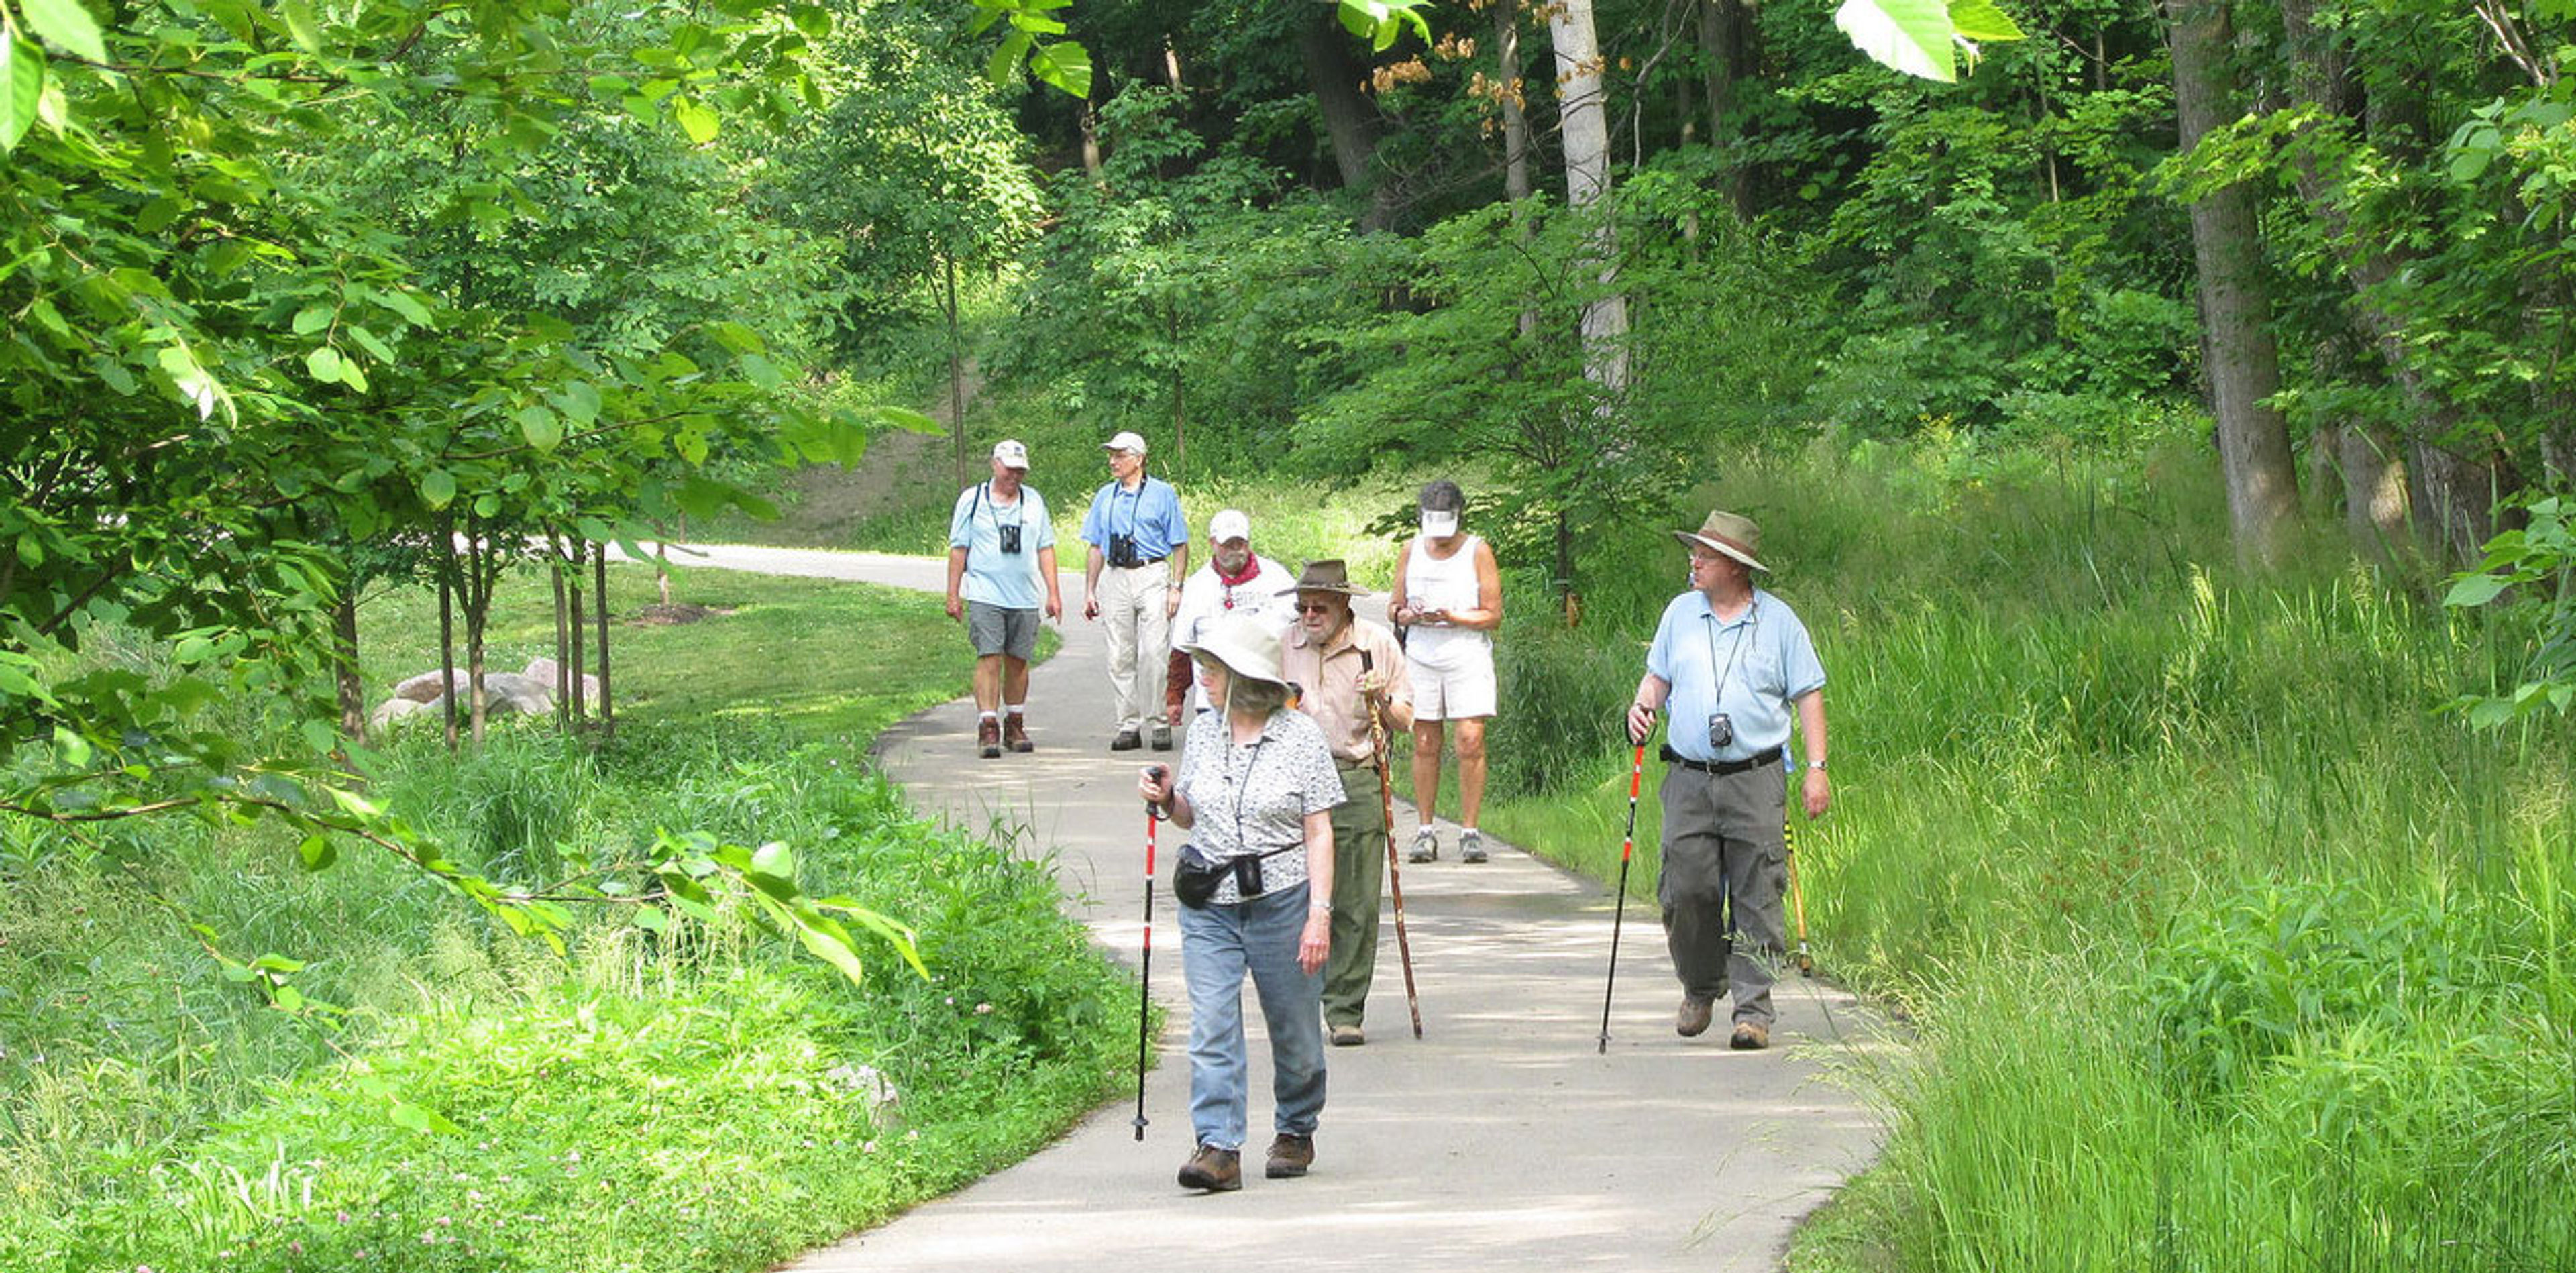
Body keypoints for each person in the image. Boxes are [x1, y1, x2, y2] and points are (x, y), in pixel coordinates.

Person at [1138, 610, 1342, 1192]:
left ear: (1245, 675)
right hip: (1210, 902)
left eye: (1213, 666)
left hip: (1282, 900)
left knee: (1296, 1032)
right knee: (1211, 1024)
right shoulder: (1204, 730)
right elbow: (1189, 815)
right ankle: (1218, 1147)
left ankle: (1297, 1127)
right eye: (1202, 664)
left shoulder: (1299, 735)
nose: (1202, 675)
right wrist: (1166, 797)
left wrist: (1318, 915)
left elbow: (1319, 830)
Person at [1623, 510, 1830, 1052]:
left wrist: (1816, 769)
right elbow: (1658, 677)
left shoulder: (1780, 622)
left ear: (1736, 568)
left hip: (1755, 777)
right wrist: (1642, 706)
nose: (1694, 562)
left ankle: (1753, 1011)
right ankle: (1700, 984)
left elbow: (1809, 693)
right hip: (1689, 777)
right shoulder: (1679, 614)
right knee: (1684, 888)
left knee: (1758, 892)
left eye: (1705, 556)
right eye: (1695, 553)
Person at [1276, 559, 1413, 1048]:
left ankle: (1345, 1008)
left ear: (1343, 606)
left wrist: (1380, 700)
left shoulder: (1376, 645)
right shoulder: (1283, 645)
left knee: (1354, 900)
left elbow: (1405, 721)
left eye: (1319, 608)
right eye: (1303, 607)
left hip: (1355, 776)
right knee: (1296, 899)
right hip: (1293, 780)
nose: (1309, 616)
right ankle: (1297, 1000)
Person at [1389, 479, 1502, 864]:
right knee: (1425, 742)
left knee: (1469, 741)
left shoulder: (1477, 550)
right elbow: (1394, 605)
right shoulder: (1411, 550)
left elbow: (1493, 614)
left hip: (1465, 654)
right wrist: (1405, 615)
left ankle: (1470, 831)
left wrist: (1454, 616)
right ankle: (1425, 830)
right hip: (1422, 654)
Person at [944, 440, 1063, 759]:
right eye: (1010, 469)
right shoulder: (973, 500)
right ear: (995, 465)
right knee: (989, 656)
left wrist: (1053, 593)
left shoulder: (1034, 501)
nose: (1015, 476)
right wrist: (953, 594)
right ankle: (988, 726)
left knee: (1019, 660)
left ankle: (1015, 722)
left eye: (1020, 470)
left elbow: (1045, 548)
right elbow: (958, 549)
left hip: (1024, 595)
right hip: (985, 593)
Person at [1081, 430, 1189, 752]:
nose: (1113, 461)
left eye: (1120, 455)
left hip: (1152, 572)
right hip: (1116, 575)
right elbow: (1096, 545)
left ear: (1139, 459)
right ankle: (1128, 724)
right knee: (1119, 654)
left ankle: (1159, 722)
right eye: (1111, 455)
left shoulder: (1162, 493)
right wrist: (1090, 589)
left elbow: (1180, 544)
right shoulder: (1105, 496)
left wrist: (1177, 587)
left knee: (1154, 652)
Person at [1167, 509, 1296, 719]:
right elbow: (1181, 648)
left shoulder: (1277, 578)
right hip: (1212, 703)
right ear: (1213, 543)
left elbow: (1301, 631)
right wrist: (1174, 697)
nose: (1236, 550)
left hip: (1265, 696)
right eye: (1228, 544)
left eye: (1241, 543)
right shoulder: (1197, 586)